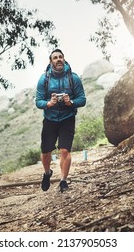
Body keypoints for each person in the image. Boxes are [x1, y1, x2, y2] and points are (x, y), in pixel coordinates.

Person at [35, 49, 86, 192]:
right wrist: (48, 104)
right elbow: (38, 101)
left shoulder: (73, 78)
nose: (58, 59)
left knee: (65, 151)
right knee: (46, 152)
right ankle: (47, 173)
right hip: (50, 119)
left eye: (60, 57)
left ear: (64, 59)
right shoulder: (44, 79)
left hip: (67, 118)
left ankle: (63, 181)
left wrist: (71, 102)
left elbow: (82, 99)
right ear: (50, 61)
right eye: (55, 58)